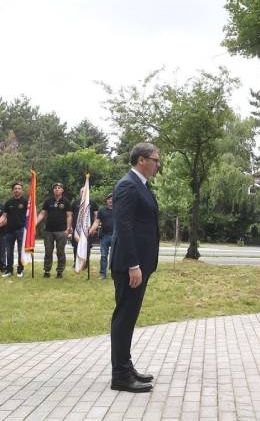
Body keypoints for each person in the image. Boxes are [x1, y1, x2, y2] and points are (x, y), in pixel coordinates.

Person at [110, 143, 160, 393]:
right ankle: (119, 375)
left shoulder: (140, 185)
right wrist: (133, 265)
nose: (157, 165)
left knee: (129, 317)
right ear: (142, 160)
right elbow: (125, 227)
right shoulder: (128, 185)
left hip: (140, 264)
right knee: (124, 317)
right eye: (155, 160)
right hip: (130, 265)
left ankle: (126, 366)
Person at [36, 183, 73, 278]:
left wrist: (68, 228)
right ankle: (47, 271)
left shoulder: (66, 202)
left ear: (62, 190)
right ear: (53, 190)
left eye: (59, 188)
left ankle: (59, 272)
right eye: (55, 188)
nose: (57, 189)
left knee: (60, 252)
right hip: (49, 231)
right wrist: (34, 223)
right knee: (48, 251)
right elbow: (42, 214)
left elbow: (69, 216)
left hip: (61, 231)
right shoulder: (48, 201)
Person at [2, 183, 28, 278]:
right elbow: (4, 216)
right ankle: (9, 270)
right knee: (9, 251)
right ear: (13, 190)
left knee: (21, 252)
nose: (17, 190)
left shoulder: (26, 202)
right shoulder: (8, 203)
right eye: (15, 188)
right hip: (9, 231)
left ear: (22, 190)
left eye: (19, 188)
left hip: (21, 230)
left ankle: (20, 270)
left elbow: (30, 216)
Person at [71, 187, 99, 270]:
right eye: (82, 191)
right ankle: (76, 262)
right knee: (76, 245)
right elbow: (71, 215)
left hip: (88, 229)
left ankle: (85, 263)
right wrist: (70, 227)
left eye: (85, 191)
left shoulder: (92, 203)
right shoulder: (75, 203)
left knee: (87, 246)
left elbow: (96, 216)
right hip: (77, 229)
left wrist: (94, 228)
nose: (83, 193)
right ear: (80, 193)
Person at [90, 192, 114, 279]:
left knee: (115, 256)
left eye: (112, 199)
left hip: (116, 236)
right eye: (109, 199)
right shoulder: (102, 210)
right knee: (104, 256)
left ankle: (114, 274)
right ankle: (102, 274)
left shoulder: (119, 210)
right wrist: (91, 230)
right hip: (104, 236)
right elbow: (96, 222)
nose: (111, 200)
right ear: (106, 201)